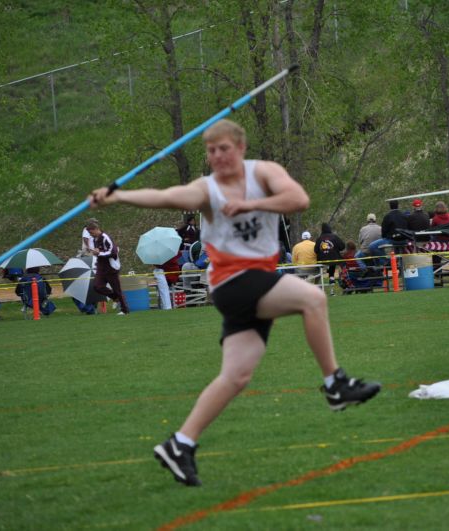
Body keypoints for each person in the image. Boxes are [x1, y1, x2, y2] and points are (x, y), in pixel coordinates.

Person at [88, 119, 380, 487]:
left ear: (240, 149)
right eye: (211, 151)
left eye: (224, 148)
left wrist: (249, 204)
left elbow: (298, 200)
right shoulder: (206, 190)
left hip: (255, 278)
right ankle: (336, 384)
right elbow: (164, 197)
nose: (217, 156)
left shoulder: (265, 173)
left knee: (236, 376)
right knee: (313, 298)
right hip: (231, 281)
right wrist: (117, 196)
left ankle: (180, 444)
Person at [86, 220, 129, 315]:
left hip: (111, 268)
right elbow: (98, 252)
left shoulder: (106, 237)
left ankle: (125, 310)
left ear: (96, 229)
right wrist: (95, 252)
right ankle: (115, 298)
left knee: (117, 289)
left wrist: (99, 253)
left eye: (91, 232)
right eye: (89, 233)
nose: (90, 234)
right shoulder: (94, 240)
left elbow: (113, 252)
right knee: (97, 286)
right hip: (101, 267)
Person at [314, 223, 345, 295]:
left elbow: (315, 250)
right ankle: (333, 288)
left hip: (322, 261)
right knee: (333, 266)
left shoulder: (319, 239)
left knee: (324, 270)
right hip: (334, 260)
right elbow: (342, 246)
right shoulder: (334, 237)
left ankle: (319, 289)